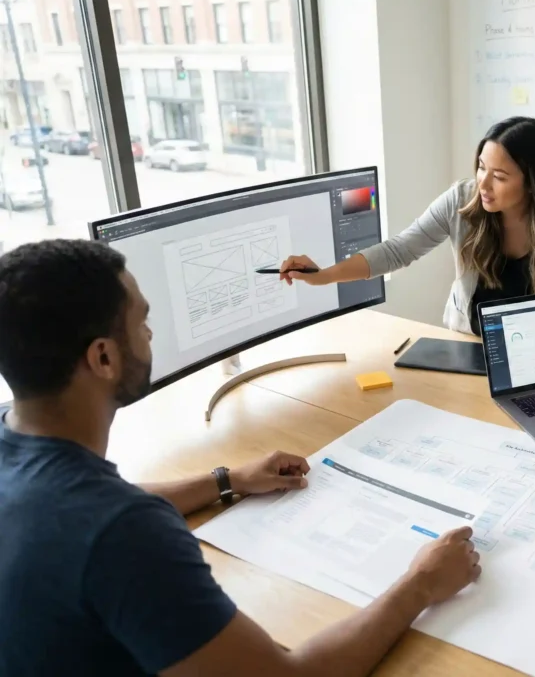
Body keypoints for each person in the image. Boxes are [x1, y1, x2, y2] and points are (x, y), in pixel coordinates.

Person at [0, 240, 481, 677]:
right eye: (141, 323)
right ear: (103, 358)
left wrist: (227, 480)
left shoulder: (23, 449)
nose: (149, 334)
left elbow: (87, 508)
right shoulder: (125, 534)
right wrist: (420, 584)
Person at [279, 116, 535, 335]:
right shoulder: (461, 200)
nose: (484, 183)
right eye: (481, 167)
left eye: (500, 176)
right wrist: (324, 275)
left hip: (526, 349)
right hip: (466, 340)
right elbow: (398, 250)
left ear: (533, 182)